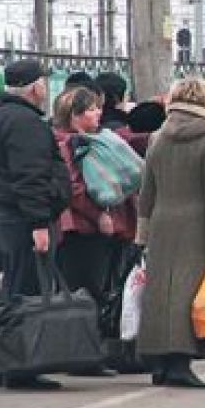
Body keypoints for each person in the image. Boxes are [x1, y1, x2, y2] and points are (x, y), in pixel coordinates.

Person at [135, 78, 205, 389]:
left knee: (161, 292)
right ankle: (181, 363)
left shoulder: (158, 136)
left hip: (162, 220)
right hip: (196, 222)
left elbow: (146, 189)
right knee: (190, 293)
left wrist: (143, 232)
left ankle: (160, 363)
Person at [0, 60, 72, 390]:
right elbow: (30, 177)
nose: (45, 88)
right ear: (34, 87)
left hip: (8, 218)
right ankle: (20, 367)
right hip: (21, 222)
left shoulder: (4, 116)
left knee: (11, 291)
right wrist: (39, 224)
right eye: (43, 82)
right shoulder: (25, 123)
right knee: (23, 293)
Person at [52, 87, 137, 359]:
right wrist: (97, 214)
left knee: (94, 287)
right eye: (91, 109)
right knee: (84, 289)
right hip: (81, 227)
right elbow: (74, 188)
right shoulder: (69, 145)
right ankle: (82, 353)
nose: (98, 113)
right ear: (74, 116)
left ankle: (88, 350)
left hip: (97, 225)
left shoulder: (96, 139)